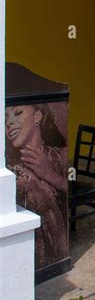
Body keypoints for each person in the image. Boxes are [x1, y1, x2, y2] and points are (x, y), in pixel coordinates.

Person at [5, 103, 67, 268]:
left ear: (38, 116)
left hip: (57, 250)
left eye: (17, 113)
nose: (8, 123)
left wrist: (47, 173)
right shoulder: (8, 167)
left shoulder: (59, 154)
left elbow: (71, 187)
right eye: (4, 119)